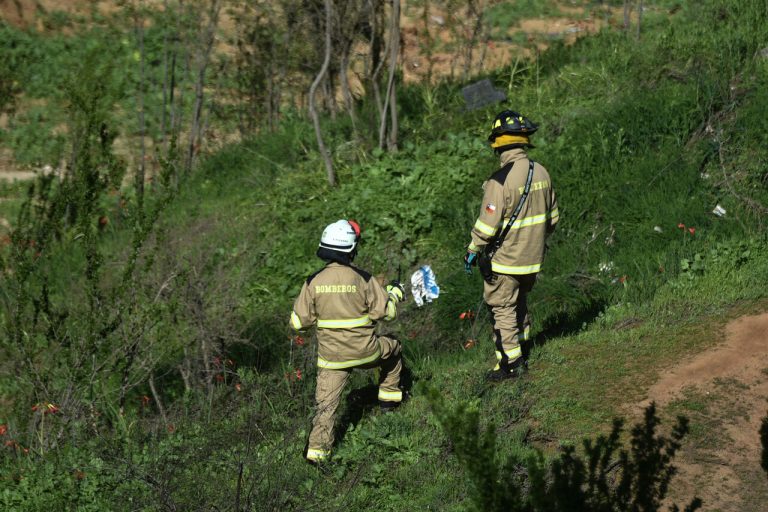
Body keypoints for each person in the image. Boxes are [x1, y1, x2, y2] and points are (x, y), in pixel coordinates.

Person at [290, 219, 406, 464]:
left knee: (326, 408)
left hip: (332, 360)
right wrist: (394, 294)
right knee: (394, 347)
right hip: (366, 353)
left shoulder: (313, 281)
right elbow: (388, 313)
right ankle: (389, 399)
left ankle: (317, 455)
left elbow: (298, 323)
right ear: (351, 248)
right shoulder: (363, 278)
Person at [463, 110, 559, 381]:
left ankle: (511, 364)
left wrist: (472, 250)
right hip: (533, 258)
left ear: (498, 143)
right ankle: (523, 345)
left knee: (502, 308)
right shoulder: (541, 171)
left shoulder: (500, 180)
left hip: (506, 261)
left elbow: (486, 226)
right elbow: (552, 219)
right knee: (519, 302)